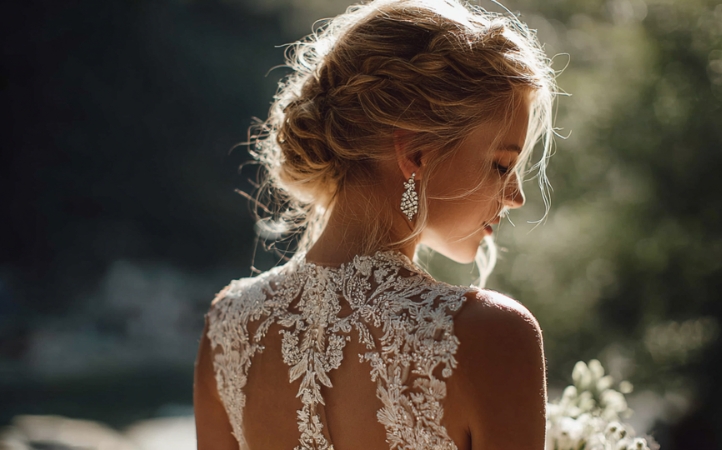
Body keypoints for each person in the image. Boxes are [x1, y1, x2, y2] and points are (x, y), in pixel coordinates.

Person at [194, 0, 557, 448]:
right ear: (416, 154)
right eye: (502, 165)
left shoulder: (227, 328)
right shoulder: (491, 335)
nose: (516, 198)